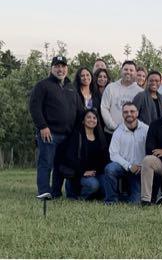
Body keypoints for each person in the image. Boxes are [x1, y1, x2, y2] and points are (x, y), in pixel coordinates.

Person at [29, 55, 81, 199]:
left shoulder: (71, 88)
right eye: (57, 66)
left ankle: (56, 192)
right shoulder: (43, 85)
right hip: (49, 133)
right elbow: (34, 107)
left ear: (67, 69)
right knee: (46, 163)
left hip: (67, 135)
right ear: (51, 68)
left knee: (60, 166)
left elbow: (79, 110)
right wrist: (42, 126)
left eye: (63, 66)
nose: (60, 69)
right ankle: (44, 192)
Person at [102, 103, 148, 204]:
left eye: (132, 111)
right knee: (110, 169)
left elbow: (150, 151)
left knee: (135, 202)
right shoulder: (118, 132)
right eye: (126, 112)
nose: (129, 114)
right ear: (122, 114)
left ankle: (123, 197)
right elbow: (113, 154)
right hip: (123, 167)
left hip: (139, 170)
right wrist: (129, 166)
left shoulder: (146, 130)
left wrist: (142, 166)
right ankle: (111, 200)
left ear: (137, 113)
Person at [61, 109, 109, 200]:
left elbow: (103, 158)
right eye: (89, 117)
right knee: (93, 185)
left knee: (107, 187)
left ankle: (93, 196)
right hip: (79, 173)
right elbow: (70, 158)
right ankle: (80, 197)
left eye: (94, 118)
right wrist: (83, 172)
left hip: (95, 173)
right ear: (83, 120)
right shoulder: (76, 135)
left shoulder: (100, 137)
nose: (92, 120)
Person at [100, 61, 143, 136]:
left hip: (132, 134)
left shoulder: (140, 92)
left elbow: (141, 113)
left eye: (131, 70)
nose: (128, 72)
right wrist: (114, 126)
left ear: (135, 73)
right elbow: (104, 108)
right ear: (121, 71)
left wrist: (131, 128)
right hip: (111, 133)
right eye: (126, 69)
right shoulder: (111, 87)